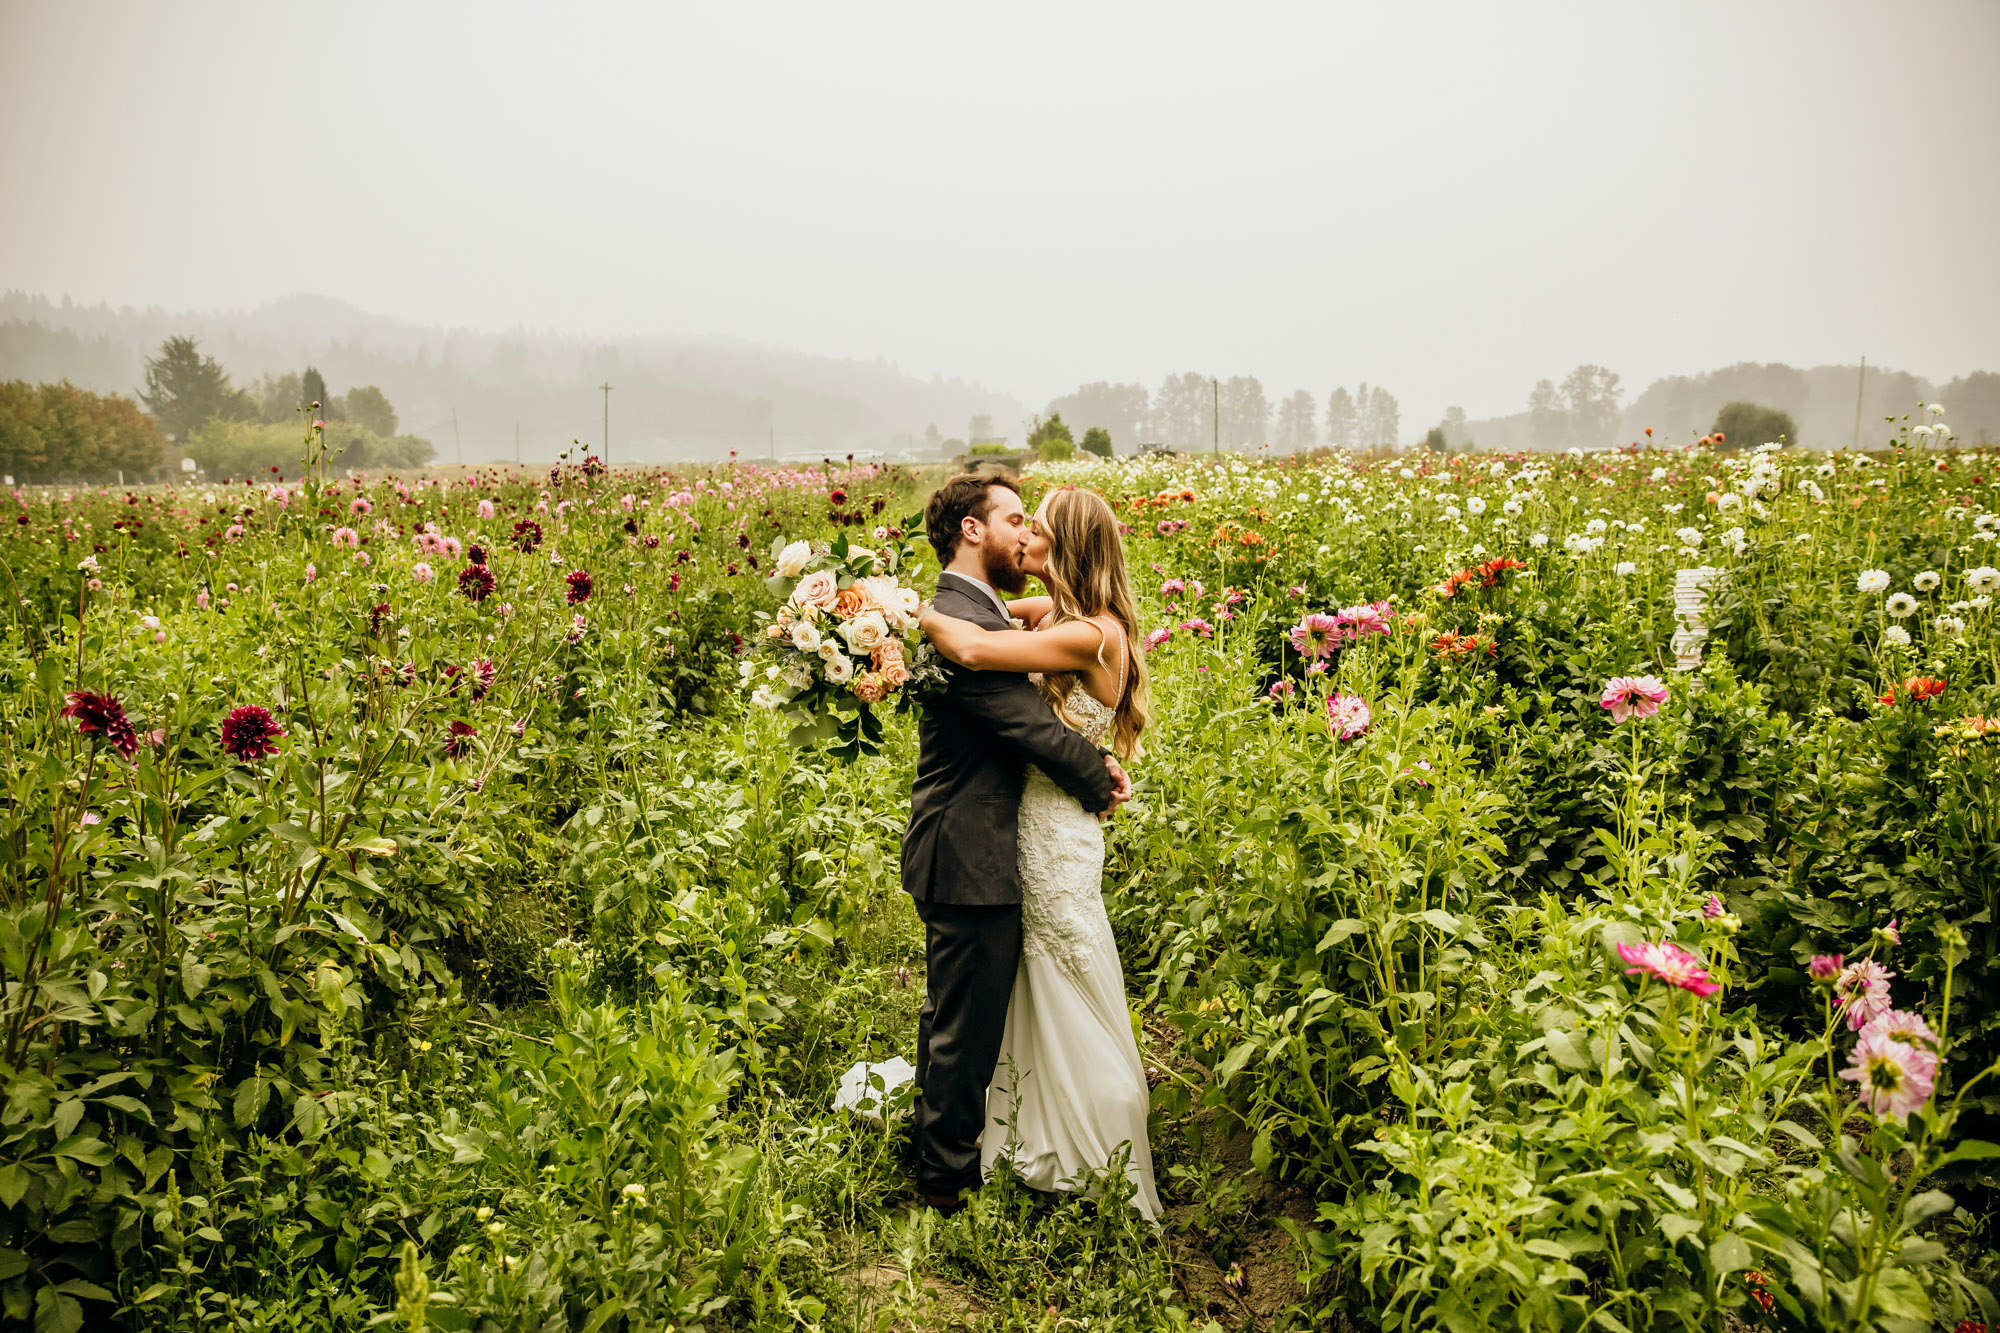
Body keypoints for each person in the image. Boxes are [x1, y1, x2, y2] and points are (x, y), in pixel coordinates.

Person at [919, 483, 1162, 1221]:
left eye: (1038, 530)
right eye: (1019, 524)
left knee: (1064, 967)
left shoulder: (1092, 634)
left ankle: (1092, 1132)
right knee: (1018, 981)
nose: (1024, 538)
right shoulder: (1051, 613)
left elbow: (972, 644)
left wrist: (912, 614)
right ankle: (1023, 1117)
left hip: (1057, 828)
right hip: (1024, 822)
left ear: (1068, 547)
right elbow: (996, 613)